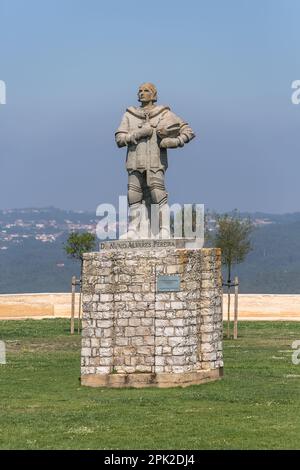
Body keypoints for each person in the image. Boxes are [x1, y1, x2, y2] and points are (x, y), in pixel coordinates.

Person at [115, 82, 195, 239]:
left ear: (154, 94)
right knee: (134, 195)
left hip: (155, 162)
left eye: (146, 91)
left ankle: (164, 229)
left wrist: (175, 142)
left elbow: (188, 131)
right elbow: (119, 139)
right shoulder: (129, 115)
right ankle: (133, 229)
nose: (142, 93)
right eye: (140, 91)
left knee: (158, 194)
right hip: (134, 162)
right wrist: (137, 134)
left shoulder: (164, 114)